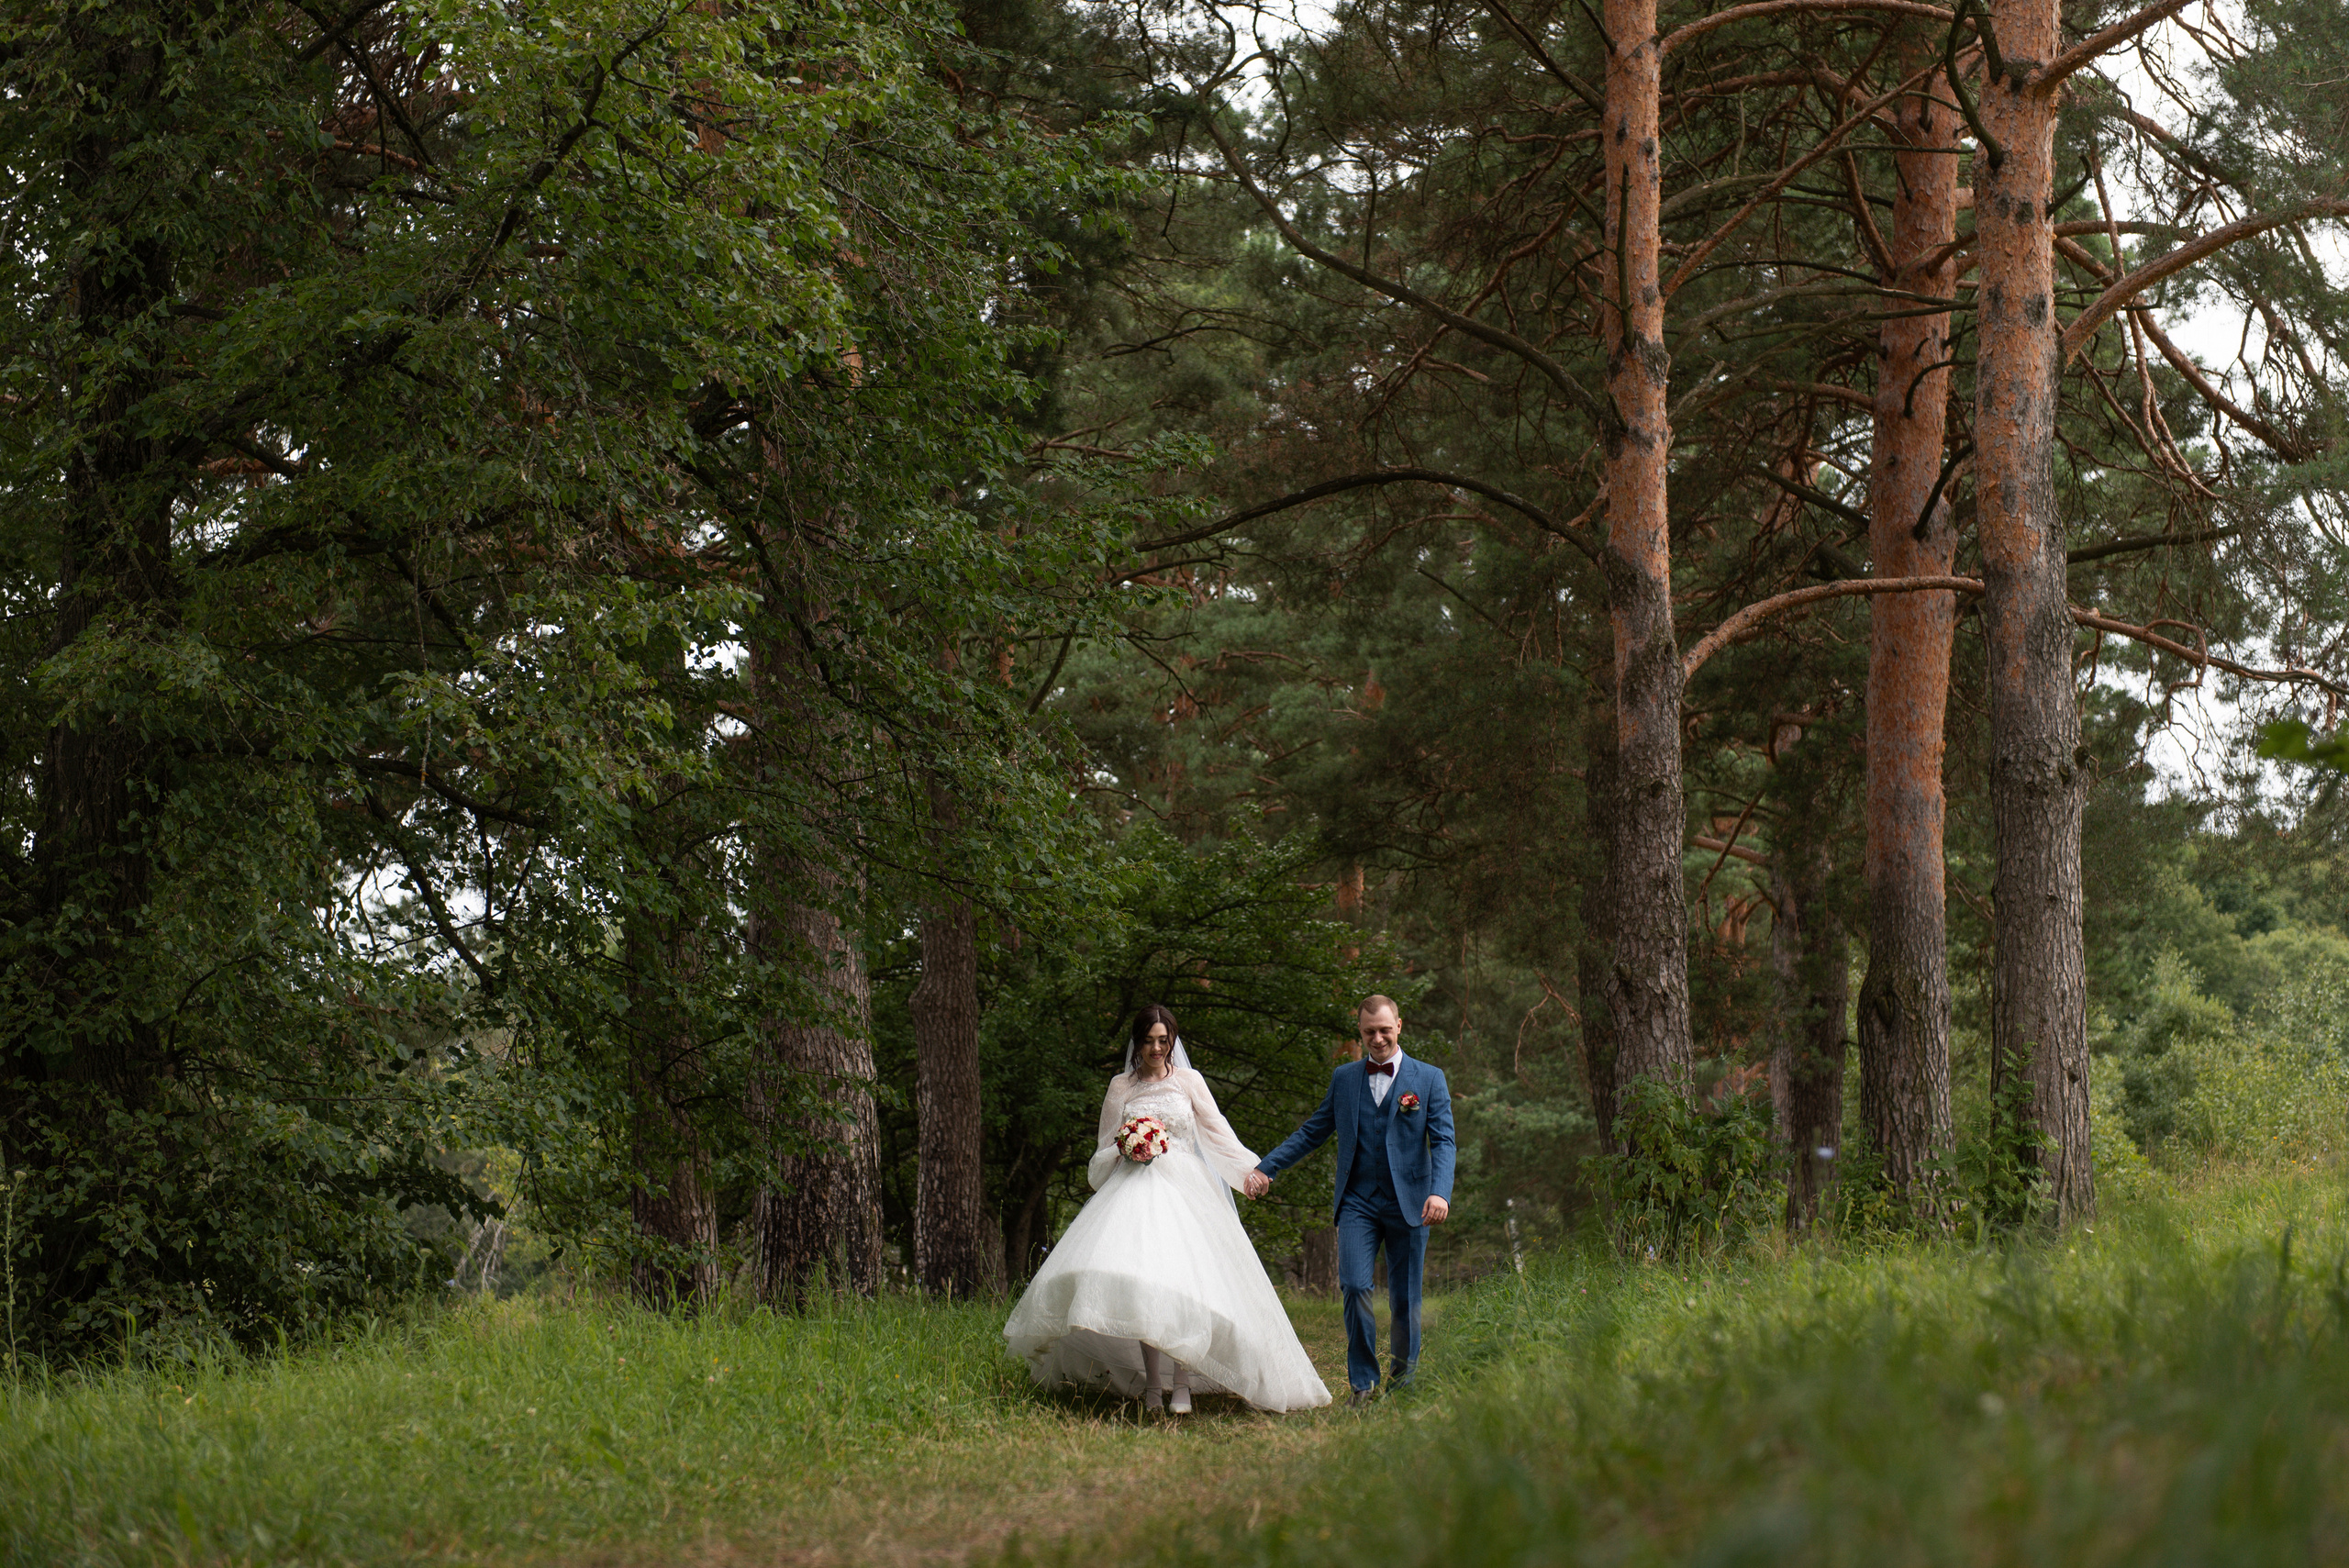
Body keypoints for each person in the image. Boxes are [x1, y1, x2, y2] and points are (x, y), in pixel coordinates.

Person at [1002, 1005, 1332, 1413]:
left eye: (1164, 1040)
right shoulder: (1120, 1087)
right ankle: (1153, 1385)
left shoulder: (1189, 1081)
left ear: (1172, 1040)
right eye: (1148, 1040)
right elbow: (1103, 1149)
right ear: (1136, 1042)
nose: (1156, 1048)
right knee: (1144, 1282)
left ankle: (1182, 1383)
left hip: (1185, 1190)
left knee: (1184, 1281)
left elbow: (1217, 1131)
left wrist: (1253, 1171)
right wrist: (1127, 1147)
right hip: (1132, 1192)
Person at [1245, 995, 1454, 1407]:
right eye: (1368, 1032)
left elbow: (1444, 1140)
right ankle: (1362, 1382)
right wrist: (1267, 1166)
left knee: (1405, 1297)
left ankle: (1403, 1381)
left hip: (1411, 1202)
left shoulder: (1429, 1078)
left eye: (1384, 1030)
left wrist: (1439, 1192)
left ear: (1399, 1026)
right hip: (1358, 1201)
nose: (1377, 1038)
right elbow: (1314, 1130)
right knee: (1356, 1285)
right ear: (1360, 1032)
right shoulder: (1345, 1078)